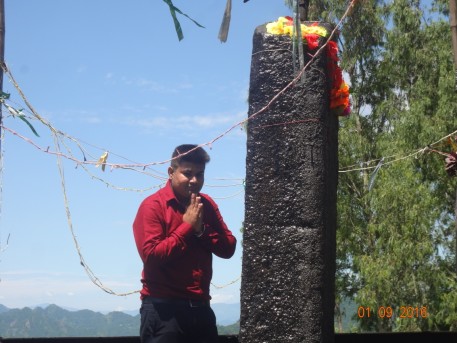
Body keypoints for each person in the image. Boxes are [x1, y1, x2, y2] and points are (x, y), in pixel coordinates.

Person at [133, 144, 237, 343]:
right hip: (163, 310)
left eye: (200, 174)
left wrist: (201, 230)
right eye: (187, 173)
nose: (195, 180)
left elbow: (228, 247)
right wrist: (187, 226)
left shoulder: (206, 204)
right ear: (171, 172)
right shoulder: (153, 206)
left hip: (201, 309)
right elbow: (152, 257)